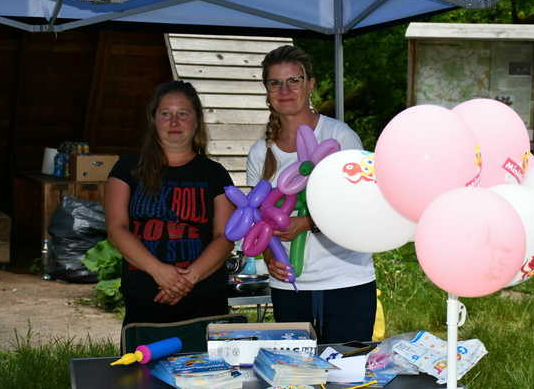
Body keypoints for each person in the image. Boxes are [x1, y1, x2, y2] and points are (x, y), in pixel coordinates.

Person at [246, 45, 376, 344]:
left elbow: (361, 207)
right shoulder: (259, 152)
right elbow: (256, 220)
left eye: (294, 80)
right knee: (295, 376)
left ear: (310, 84)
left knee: (346, 375)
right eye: (275, 83)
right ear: (266, 90)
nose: (285, 90)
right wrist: (268, 254)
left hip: (347, 279)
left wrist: (305, 223)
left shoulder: (339, 137)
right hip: (289, 287)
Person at [105, 80, 235, 328]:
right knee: (140, 369)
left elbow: (226, 236)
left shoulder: (215, 174)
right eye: (166, 114)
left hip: (205, 304)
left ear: (196, 121)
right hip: (144, 306)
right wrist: (160, 272)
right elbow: (116, 229)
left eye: (182, 114)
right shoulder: (127, 168)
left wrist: (188, 279)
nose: (174, 122)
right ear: (153, 120)